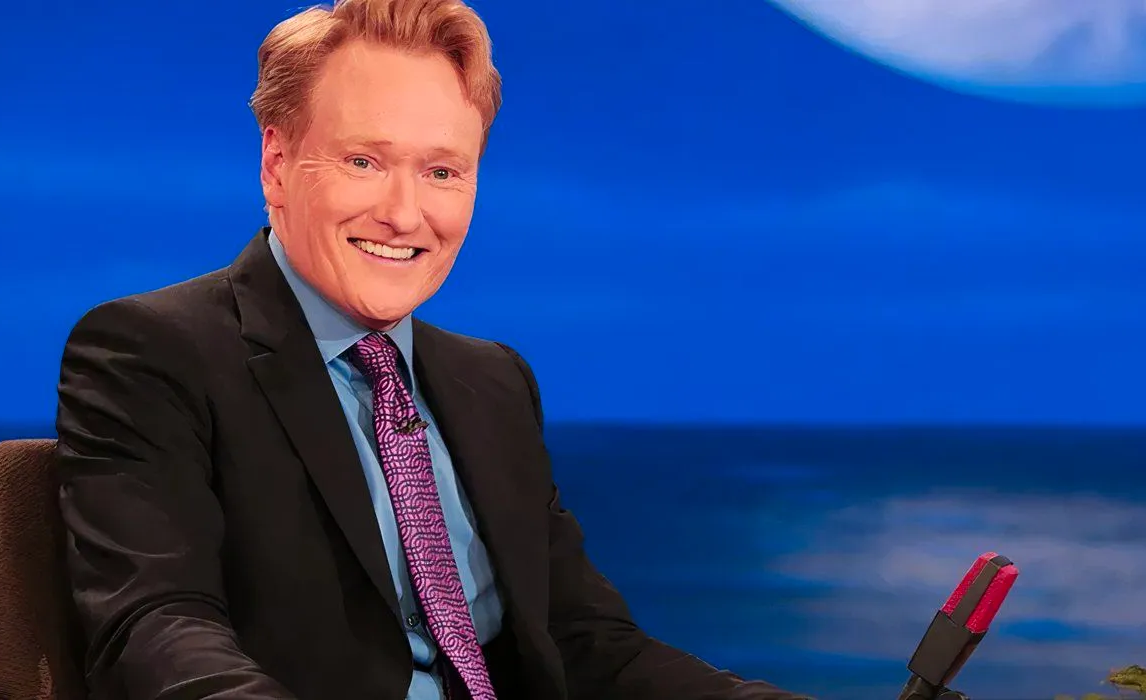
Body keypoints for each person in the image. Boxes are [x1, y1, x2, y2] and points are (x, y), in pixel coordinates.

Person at [54, 1, 811, 698]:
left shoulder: (494, 382)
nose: (404, 214)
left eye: (442, 172)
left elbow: (586, 646)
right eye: (364, 162)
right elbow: (156, 633)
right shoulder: (148, 352)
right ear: (277, 165)